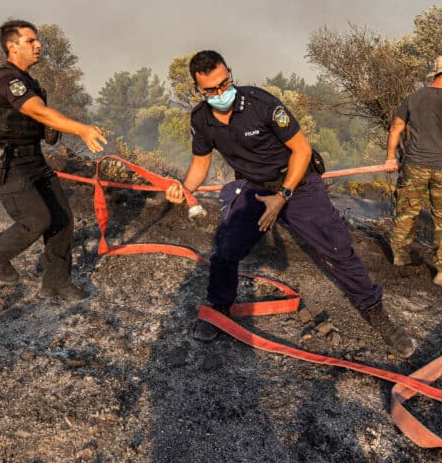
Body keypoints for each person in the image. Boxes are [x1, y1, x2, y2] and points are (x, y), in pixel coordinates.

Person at [165, 50, 416, 357]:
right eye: (211, 90)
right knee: (225, 250)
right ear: (197, 89)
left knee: (337, 249)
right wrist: (183, 188)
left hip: (298, 184)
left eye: (224, 83)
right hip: (254, 188)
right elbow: (200, 164)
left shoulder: (261, 103)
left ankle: (379, 316)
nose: (221, 93)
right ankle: (219, 308)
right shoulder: (201, 120)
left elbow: (302, 150)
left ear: (230, 73)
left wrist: (282, 197)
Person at [0, 20, 107, 301]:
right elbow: (37, 112)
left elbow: (42, 125)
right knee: (37, 219)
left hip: (34, 161)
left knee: (62, 219)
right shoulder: (4, 79)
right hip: (7, 164)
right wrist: (81, 129)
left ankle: (56, 284)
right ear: (12, 47)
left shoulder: (28, 81)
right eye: (30, 41)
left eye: (37, 41)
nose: (38, 46)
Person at [382, 53, 442, 287]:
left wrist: (390, 157)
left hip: (414, 165)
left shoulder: (414, 97)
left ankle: (400, 256)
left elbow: (396, 127)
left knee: (407, 212)